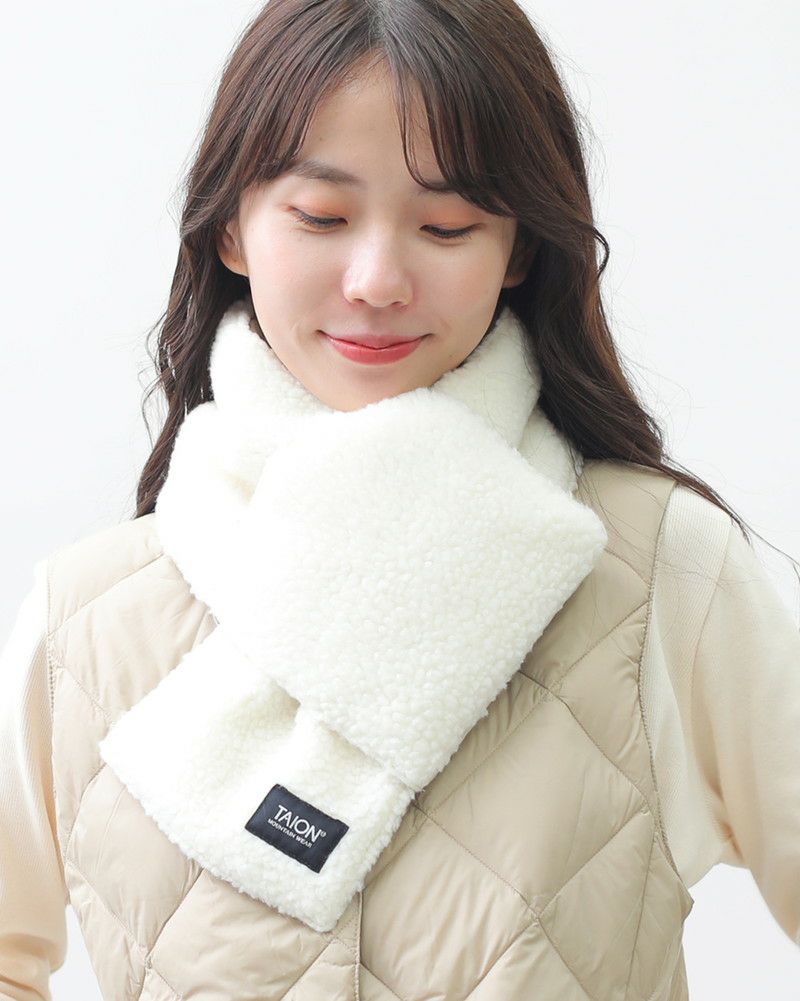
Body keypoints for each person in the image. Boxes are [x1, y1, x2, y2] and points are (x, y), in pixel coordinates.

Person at [1, 1, 798, 998]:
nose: (377, 279)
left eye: (446, 225)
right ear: (231, 228)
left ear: (518, 249)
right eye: (321, 217)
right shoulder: (82, 619)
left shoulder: (662, 571)